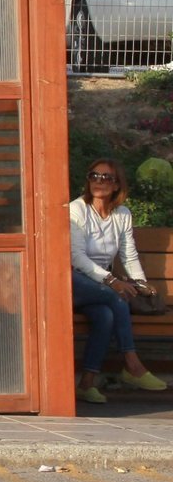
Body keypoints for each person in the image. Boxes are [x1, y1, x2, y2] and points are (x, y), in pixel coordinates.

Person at [70, 157, 168, 403]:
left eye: (106, 178)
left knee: (106, 315)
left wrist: (140, 283)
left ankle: (87, 383)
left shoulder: (122, 214)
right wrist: (112, 281)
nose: (99, 181)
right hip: (73, 280)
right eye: (94, 176)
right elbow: (77, 257)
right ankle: (132, 364)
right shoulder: (77, 209)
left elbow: (128, 253)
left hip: (101, 285)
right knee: (117, 297)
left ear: (116, 185)